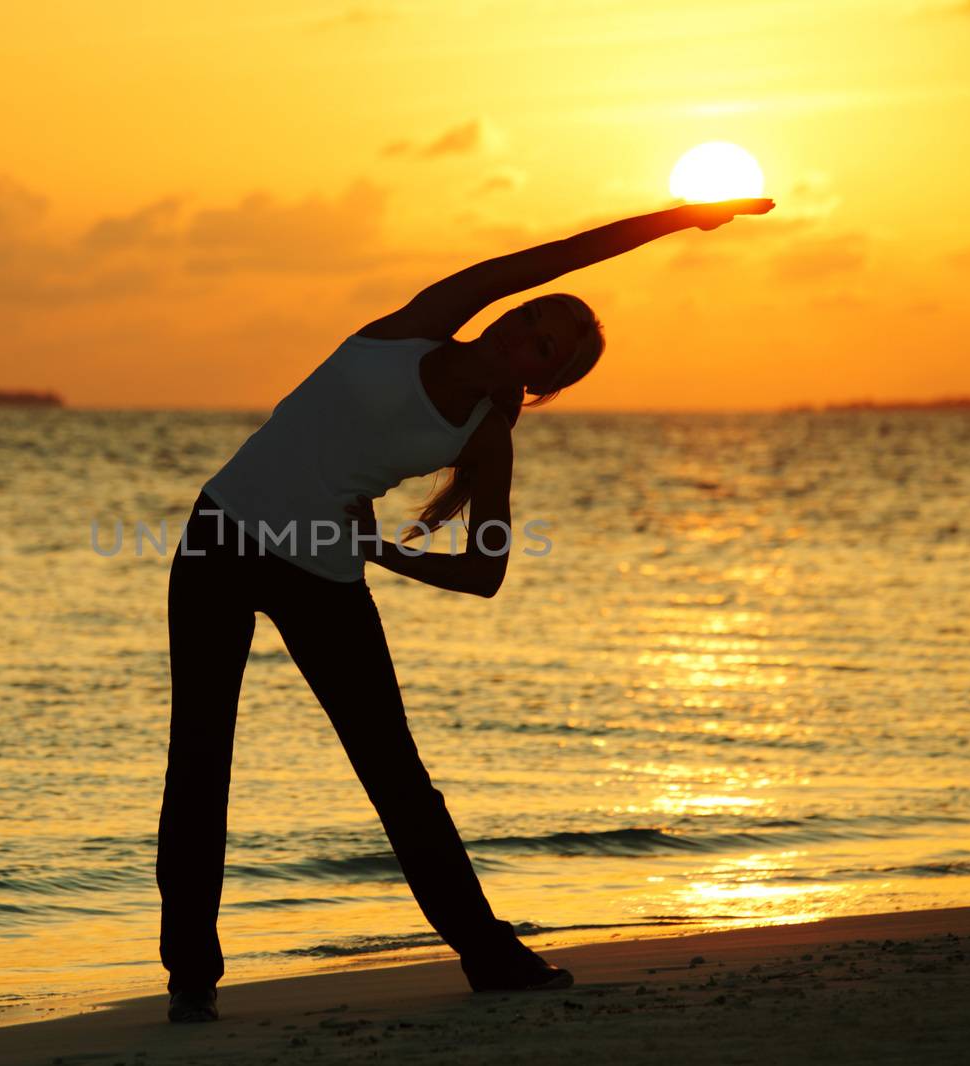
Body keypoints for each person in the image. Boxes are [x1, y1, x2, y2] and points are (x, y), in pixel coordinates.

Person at [157, 197, 775, 1023]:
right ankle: (191, 979)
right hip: (220, 536)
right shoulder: (422, 323)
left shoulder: (486, 434)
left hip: (324, 574)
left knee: (397, 777)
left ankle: (489, 957)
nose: (521, 332)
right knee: (200, 763)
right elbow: (561, 251)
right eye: (526, 319)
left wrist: (380, 550)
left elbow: (486, 571)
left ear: (544, 379)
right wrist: (684, 216)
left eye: (543, 345)